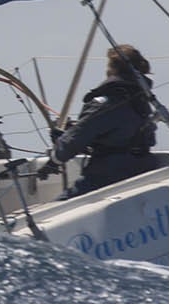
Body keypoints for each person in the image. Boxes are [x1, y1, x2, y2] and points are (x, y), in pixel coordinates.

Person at [42, 45, 160, 198]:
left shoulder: (105, 102)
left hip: (109, 173)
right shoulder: (140, 99)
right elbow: (122, 135)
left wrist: (54, 160)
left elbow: (76, 138)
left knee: (58, 207)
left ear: (113, 69)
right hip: (142, 168)